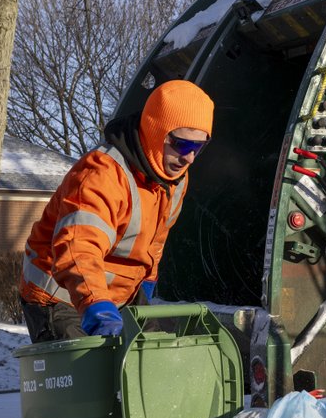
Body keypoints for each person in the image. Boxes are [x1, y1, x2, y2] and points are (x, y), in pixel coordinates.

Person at [19, 79, 213, 342]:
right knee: (91, 377)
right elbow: (78, 247)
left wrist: (146, 282)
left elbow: (156, 239)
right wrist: (95, 303)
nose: (189, 157)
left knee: (157, 361)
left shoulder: (175, 179)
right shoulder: (102, 174)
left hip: (118, 295)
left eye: (199, 147)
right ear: (158, 132)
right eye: (183, 145)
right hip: (61, 295)